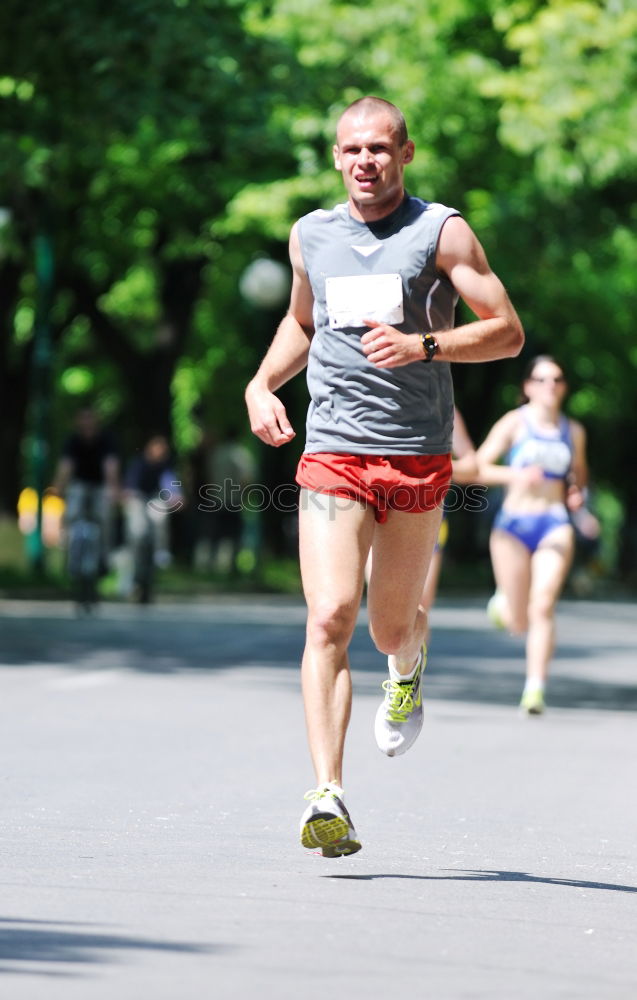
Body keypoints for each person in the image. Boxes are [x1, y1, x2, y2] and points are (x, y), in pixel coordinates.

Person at [244, 96, 524, 857]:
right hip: (333, 451)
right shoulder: (312, 235)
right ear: (336, 159)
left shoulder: (441, 231)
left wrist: (424, 347)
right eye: (350, 150)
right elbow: (302, 322)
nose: (363, 161)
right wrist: (260, 384)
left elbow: (506, 332)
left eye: (378, 148)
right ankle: (326, 793)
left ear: (404, 154)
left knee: (386, 626)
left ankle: (406, 662)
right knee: (329, 616)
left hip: (415, 455)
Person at [476, 356, 589, 715]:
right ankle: (506, 602)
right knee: (518, 621)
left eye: (556, 379)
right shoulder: (514, 423)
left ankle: (534, 688)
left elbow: (580, 474)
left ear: (564, 387)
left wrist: (574, 492)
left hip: (554, 524)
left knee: (543, 605)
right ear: (527, 387)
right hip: (513, 525)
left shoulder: (574, 431)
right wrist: (515, 476)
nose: (549, 386)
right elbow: (478, 468)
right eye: (541, 380)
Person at [53, 405, 120, 571]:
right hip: (78, 484)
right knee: (71, 514)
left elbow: (110, 466)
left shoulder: (106, 440)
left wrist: (114, 489)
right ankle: (69, 554)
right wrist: (59, 488)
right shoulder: (72, 441)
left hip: (100, 485)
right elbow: (66, 466)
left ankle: (105, 557)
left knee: (105, 517)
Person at [121, 434, 182, 602]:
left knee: (160, 516)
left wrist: (176, 495)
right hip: (138, 498)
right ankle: (133, 553)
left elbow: (170, 483)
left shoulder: (165, 466)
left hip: (154, 499)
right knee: (137, 529)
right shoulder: (138, 464)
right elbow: (129, 487)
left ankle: (161, 551)